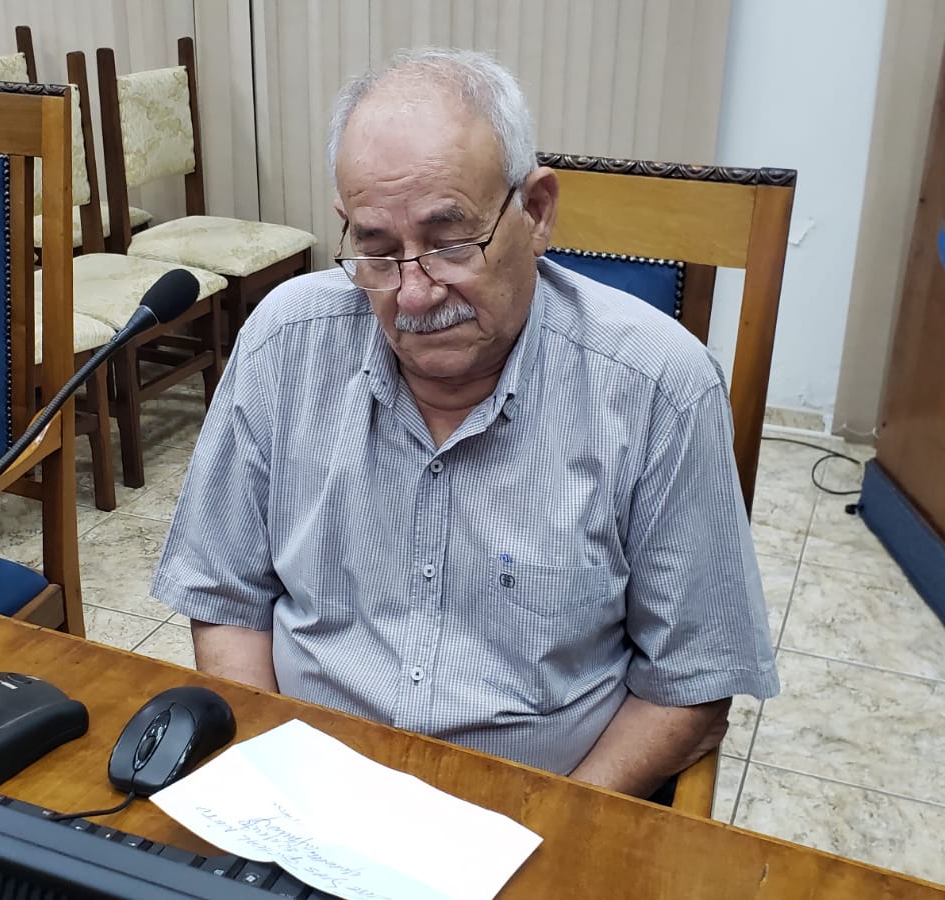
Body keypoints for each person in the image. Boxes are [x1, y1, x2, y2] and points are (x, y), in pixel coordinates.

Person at [153, 47, 778, 798]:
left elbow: (690, 687)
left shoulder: (659, 389)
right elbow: (225, 601)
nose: (413, 294)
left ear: (536, 211)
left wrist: (553, 832)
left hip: (538, 807)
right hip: (304, 787)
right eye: (377, 250)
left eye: (450, 243)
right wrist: (272, 785)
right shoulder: (286, 343)